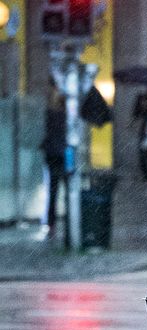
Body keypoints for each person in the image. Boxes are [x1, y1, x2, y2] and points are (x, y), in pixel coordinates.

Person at [41, 80, 67, 240]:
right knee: (56, 188)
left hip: (56, 153)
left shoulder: (53, 114)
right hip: (58, 153)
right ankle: (52, 223)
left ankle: (52, 224)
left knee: (54, 189)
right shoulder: (59, 115)